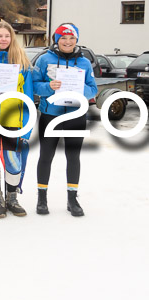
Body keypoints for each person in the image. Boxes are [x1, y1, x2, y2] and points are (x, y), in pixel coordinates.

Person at [32, 23, 97, 217]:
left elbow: (93, 89)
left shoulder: (84, 62)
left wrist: (80, 89)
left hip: (75, 115)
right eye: (63, 38)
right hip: (50, 114)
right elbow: (34, 85)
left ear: (76, 40)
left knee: (73, 157)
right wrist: (49, 87)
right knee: (45, 156)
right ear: (56, 40)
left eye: (71, 38)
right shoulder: (44, 60)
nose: (67, 42)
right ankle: (42, 198)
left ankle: (72, 199)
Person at [0, 21, 34, 218]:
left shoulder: (22, 63)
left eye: (7, 36)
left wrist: (27, 126)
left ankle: (12, 197)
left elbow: (28, 95)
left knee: (12, 160)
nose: (3, 39)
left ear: (12, 39)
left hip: (13, 119)